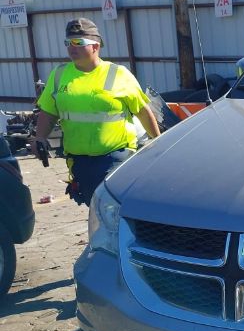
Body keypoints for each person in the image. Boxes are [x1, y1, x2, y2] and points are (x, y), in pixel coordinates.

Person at [32, 18, 161, 205]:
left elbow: (142, 111)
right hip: (79, 161)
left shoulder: (118, 74)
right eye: (68, 42)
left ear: (96, 45)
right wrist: (39, 138)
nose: (71, 47)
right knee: (94, 207)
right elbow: (48, 112)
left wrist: (157, 143)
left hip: (115, 157)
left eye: (78, 42)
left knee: (110, 207)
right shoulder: (59, 75)